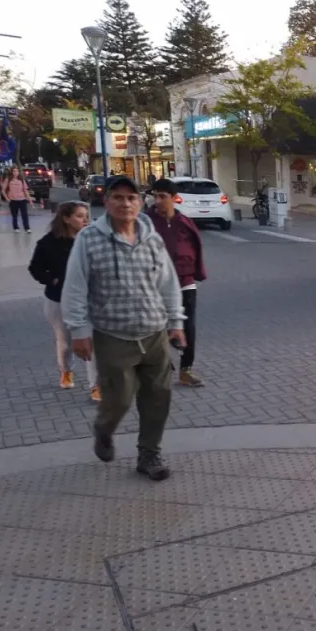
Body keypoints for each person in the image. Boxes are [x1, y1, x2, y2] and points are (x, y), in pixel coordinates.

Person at [61, 175, 186, 481]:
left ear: (139, 202)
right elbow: (75, 286)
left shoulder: (151, 237)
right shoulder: (89, 238)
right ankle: (104, 430)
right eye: (118, 197)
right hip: (113, 335)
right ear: (106, 203)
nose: (125, 203)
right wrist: (79, 330)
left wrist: (176, 322)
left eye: (131, 198)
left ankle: (149, 455)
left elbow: (168, 283)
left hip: (154, 332)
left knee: (158, 398)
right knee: (118, 400)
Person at [28, 202, 101, 401]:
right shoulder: (48, 243)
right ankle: (66, 370)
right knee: (66, 343)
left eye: (86, 216)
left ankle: (96, 385)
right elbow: (35, 268)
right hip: (58, 300)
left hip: (88, 299)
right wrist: (52, 279)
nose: (85, 220)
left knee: (91, 342)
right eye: (79, 216)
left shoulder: (91, 240)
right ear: (66, 218)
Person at [147, 177, 206, 387]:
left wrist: (196, 272)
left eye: (163, 197)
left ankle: (186, 370)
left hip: (185, 282)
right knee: (157, 328)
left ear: (174, 198)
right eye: (155, 196)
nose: (158, 201)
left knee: (188, 327)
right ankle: (162, 363)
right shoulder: (146, 222)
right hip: (155, 285)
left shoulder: (184, 222)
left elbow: (196, 248)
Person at [0, 166, 32, 232]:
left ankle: (27, 228)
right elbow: (3, 190)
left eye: (17, 171)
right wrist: (7, 198)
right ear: (11, 172)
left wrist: (30, 200)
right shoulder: (8, 179)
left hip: (22, 200)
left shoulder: (21, 180)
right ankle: (16, 227)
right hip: (13, 200)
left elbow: (25, 190)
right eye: (14, 171)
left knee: (25, 215)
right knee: (14, 215)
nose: (15, 173)